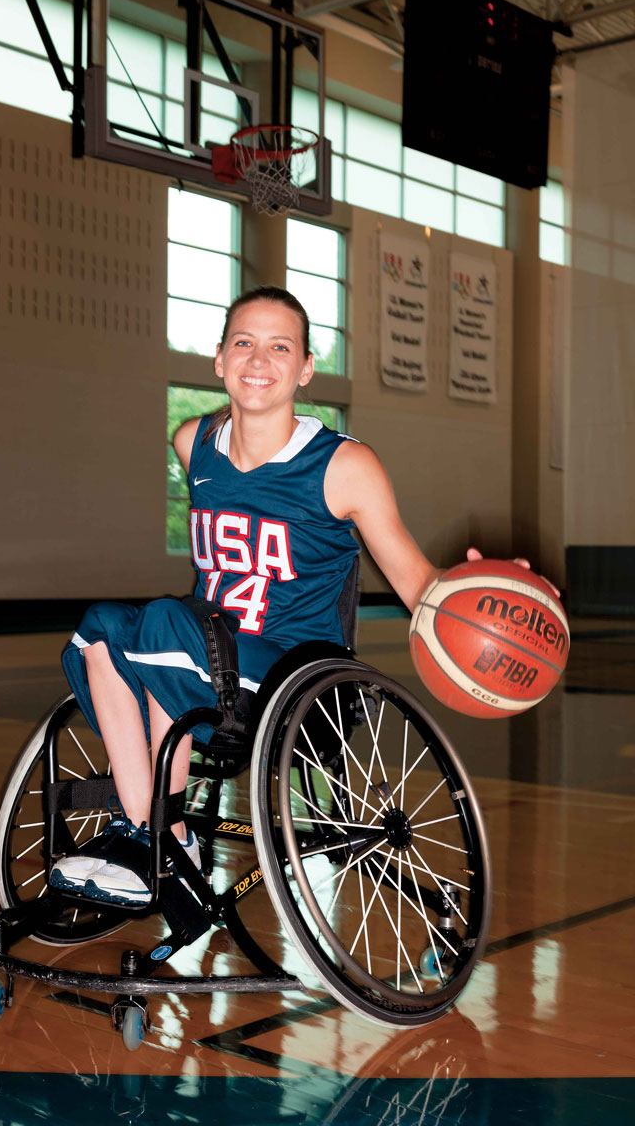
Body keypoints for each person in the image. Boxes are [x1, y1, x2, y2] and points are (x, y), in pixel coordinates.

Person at [53, 285, 524, 905]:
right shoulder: (193, 444)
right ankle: (150, 828)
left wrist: (488, 595)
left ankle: (152, 838)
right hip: (207, 658)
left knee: (166, 627)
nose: (259, 360)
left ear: (305, 369)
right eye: (244, 343)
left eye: (280, 347)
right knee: (102, 625)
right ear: (219, 359)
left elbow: (418, 586)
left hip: (293, 680)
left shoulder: (343, 466)